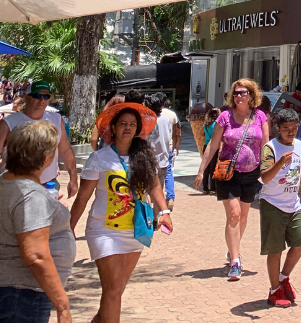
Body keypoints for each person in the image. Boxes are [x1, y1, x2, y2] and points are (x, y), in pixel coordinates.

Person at [69, 104, 173, 323]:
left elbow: (155, 187)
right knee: (114, 288)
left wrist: (164, 211)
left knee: (115, 291)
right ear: (113, 128)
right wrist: (69, 228)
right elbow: (83, 198)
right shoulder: (99, 158)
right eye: (123, 124)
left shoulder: (144, 156)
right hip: (103, 231)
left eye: (132, 124)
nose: (128, 128)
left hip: (135, 230)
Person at [0, 121, 75, 323]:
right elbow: (36, 255)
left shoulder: (7, 182)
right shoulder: (30, 195)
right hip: (22, 295)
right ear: (45, 158)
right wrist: (62, 304)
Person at [194, 79, 269, 280]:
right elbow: (212, 145)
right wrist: (201, 170)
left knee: (243, 216)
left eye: (243, 92)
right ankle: (235, 261)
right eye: (235, 93)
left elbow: (266, 146)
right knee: (234, 214)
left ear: (252, 95)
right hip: (228, 172)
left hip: (252, 172)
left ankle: (232, 248)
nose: (238, 96)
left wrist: (270, 171)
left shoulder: (260, 116)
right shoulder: (225, 117)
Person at [258, 109, 301, 308]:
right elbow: (264, 177)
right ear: (277, 128)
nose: (291, 132)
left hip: (293, 204)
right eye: (286, 129)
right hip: (272, 203)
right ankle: (274, 290)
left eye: (294, 128)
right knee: (275, 249)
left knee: (300, 243)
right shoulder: (270, 148)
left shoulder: (299, 145)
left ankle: (284, 277)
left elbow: (300, 168)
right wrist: (280, 163)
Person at [0, 81, 78, 199]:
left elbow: (66, 150)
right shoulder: (8, 122)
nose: (42, 100)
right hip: (17, 186)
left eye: (46, 96)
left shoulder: (56, 119)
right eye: (37, 96)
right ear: (26, 97)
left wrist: (73, 178)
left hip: (49, 185)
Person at [143, 93, 172, 199]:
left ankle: (148, 214)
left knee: (145, 193)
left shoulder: (145, 120)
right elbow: (168, 137)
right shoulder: (165, 119)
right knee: (158, 192)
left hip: (148, 161)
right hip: (162, 160)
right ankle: (156, 214)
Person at [160, 98, 181, 212]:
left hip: (155, 148)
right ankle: (170, 198)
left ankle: (155, 199)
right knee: (168, 173)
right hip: (168, 147)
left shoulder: (153, 113)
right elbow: (177, 132)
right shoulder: (172, 114)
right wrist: (176, 146)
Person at [201, 108, 221, 194]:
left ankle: (205, 188)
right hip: (213, 146)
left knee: (206, 168)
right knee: (213, 168)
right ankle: (213, 188)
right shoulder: (215, 125)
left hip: (205, 146)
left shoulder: (205, 125)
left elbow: (201, 133)